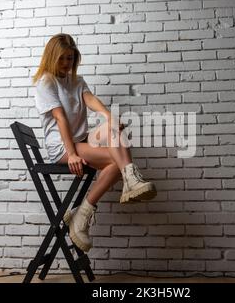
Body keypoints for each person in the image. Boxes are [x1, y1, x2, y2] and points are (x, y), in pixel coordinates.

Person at [33, 33, 156, 252]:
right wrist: (71, 154)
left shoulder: (77, 81)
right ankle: (83, 213)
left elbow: (89, 99)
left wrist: (108, 116)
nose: (65, 63)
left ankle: (128, 180)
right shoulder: (46, 82)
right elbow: (60, 118)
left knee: (113, 127)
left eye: (70, 58)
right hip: (62, 146)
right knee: (117, 161)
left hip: (81, 138)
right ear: (52, 57)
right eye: (61, 58)